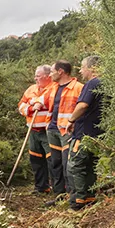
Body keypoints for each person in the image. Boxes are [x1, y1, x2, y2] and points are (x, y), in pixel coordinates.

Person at [36, 60, 83, 203]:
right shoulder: (53, 88)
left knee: (67, 163)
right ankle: (59, 196)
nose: (50, 74)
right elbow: (41, 99)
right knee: (55, 163)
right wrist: (35, 103)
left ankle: (72, 195)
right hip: (52, 129)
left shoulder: (78, 88)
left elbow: (83, 108)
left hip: (67, 132)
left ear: (60, 71)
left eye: (52, 71)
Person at [67, 55, 105, 211]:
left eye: (82, 67)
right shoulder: (109, 84)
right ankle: (90, 197)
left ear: (92, 68)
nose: (81, 71)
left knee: (75, 165)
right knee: (90, 165)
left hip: (84, 134)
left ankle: (79, 200)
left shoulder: (92, 83)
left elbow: (82, 106)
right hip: (99, 134)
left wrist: (71, 120)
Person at [18, 65, 55, 194]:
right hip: (33, 131)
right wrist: (30, 108)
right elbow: (21, 106)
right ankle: (41, 187)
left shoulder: (53, 87)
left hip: (47, 131)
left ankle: (58, 188)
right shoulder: (31, 89)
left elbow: (48, 101)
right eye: (35, 76)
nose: (35, 78)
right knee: (36, 159)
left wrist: (35, 102)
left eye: (38, 76)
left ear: (47, 76)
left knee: (52, 160)